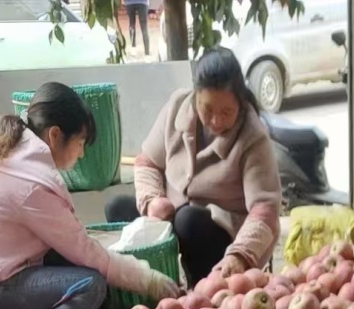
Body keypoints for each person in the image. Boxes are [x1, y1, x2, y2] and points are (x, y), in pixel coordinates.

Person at [0, 83, 179, 309]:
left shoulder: (12, 150)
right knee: (90, 284)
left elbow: (73, 243)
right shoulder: (32, 182)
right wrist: (148, 279)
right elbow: (87, 253)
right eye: (81, 142)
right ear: (55, 135)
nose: (82, 153)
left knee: (78, 268)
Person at [105, 48, 281, 288]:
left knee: (188, 220)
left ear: (240, 102)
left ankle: (202, 295)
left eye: (226, 112)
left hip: (224, 233)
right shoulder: (178, 105)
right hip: (173, 215)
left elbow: (265, 209)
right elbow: (147, 162)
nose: (216, 121)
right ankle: (149, 290)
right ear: (195, 96)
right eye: (207, 109)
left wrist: (239, 254)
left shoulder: (253, 136)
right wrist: (152, 199)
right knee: (118, 208)